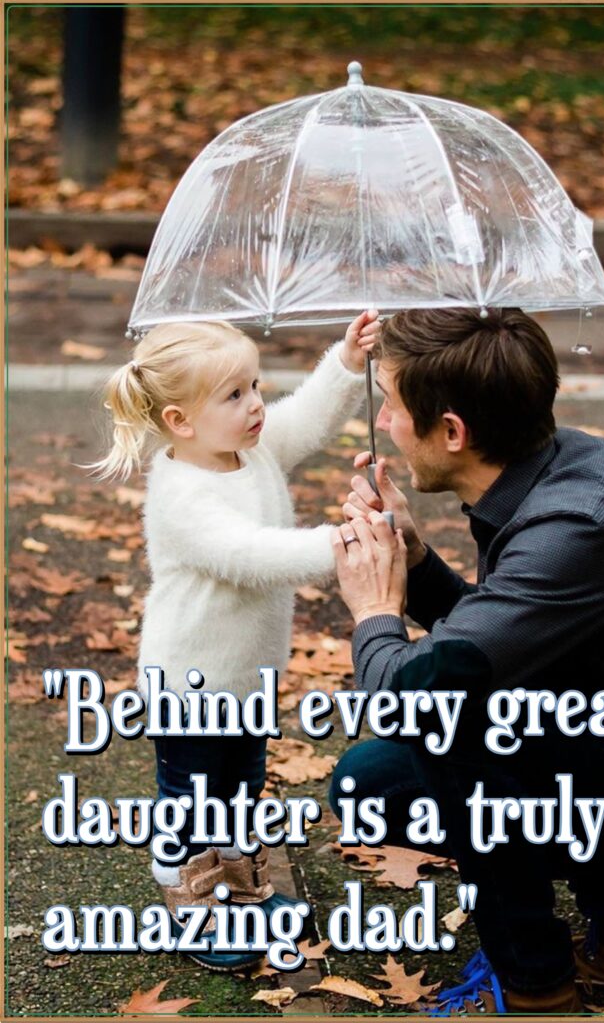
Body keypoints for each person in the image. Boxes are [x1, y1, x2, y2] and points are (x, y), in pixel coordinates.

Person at [329, 307, 604, 1015]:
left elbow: (416, 695)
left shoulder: (574, 528)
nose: (386, 421)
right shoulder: (555, 464)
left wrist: (374, 609)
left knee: (454, 726)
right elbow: (493, 634)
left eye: (392, 404)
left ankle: (539, 978)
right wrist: (417, 558)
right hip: (599, 728)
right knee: (371, 786)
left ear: (451, 431)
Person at [92, 312, 380, 970]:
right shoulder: (183, 496)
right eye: (234, 395)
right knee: (194, 793)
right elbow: (251, 555)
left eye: (254, 385)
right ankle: (189, 897)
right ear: (180, 422)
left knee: (240, 783)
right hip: (188, 682)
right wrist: (342, 543)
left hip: (245, 675)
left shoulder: (247, 448)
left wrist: (343, 360)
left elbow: (305, 419)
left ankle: (237, 884)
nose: (256, 405)